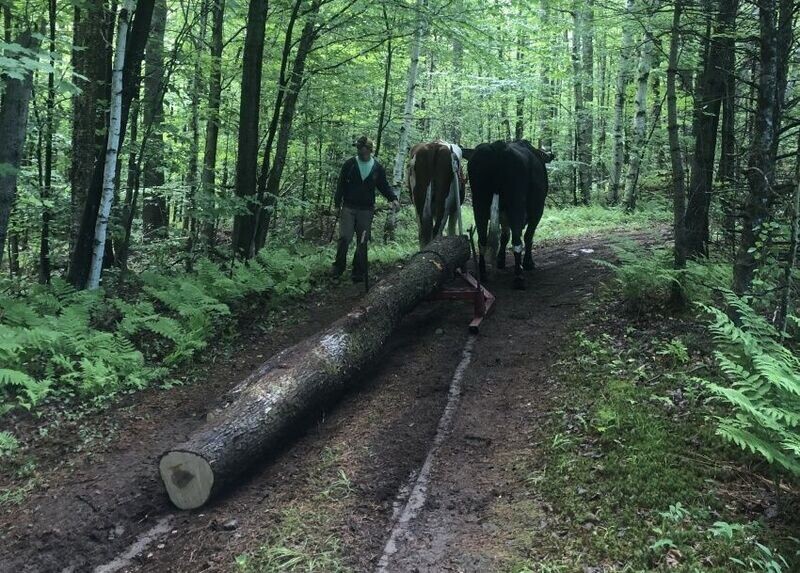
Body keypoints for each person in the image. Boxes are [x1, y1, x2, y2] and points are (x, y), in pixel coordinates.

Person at [332, 136, 399, 282]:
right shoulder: (349, 164)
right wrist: (337, 204)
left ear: (368, 149)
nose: (358, 149)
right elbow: (340, 185)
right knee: (345, 238)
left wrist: (393, 198)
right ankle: (337, 270)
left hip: (366, 210)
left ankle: (358, 273)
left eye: (361, 147)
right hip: (348, 207)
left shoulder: (377, 167)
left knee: (362, 241)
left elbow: (383, 186)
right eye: (357, 147)